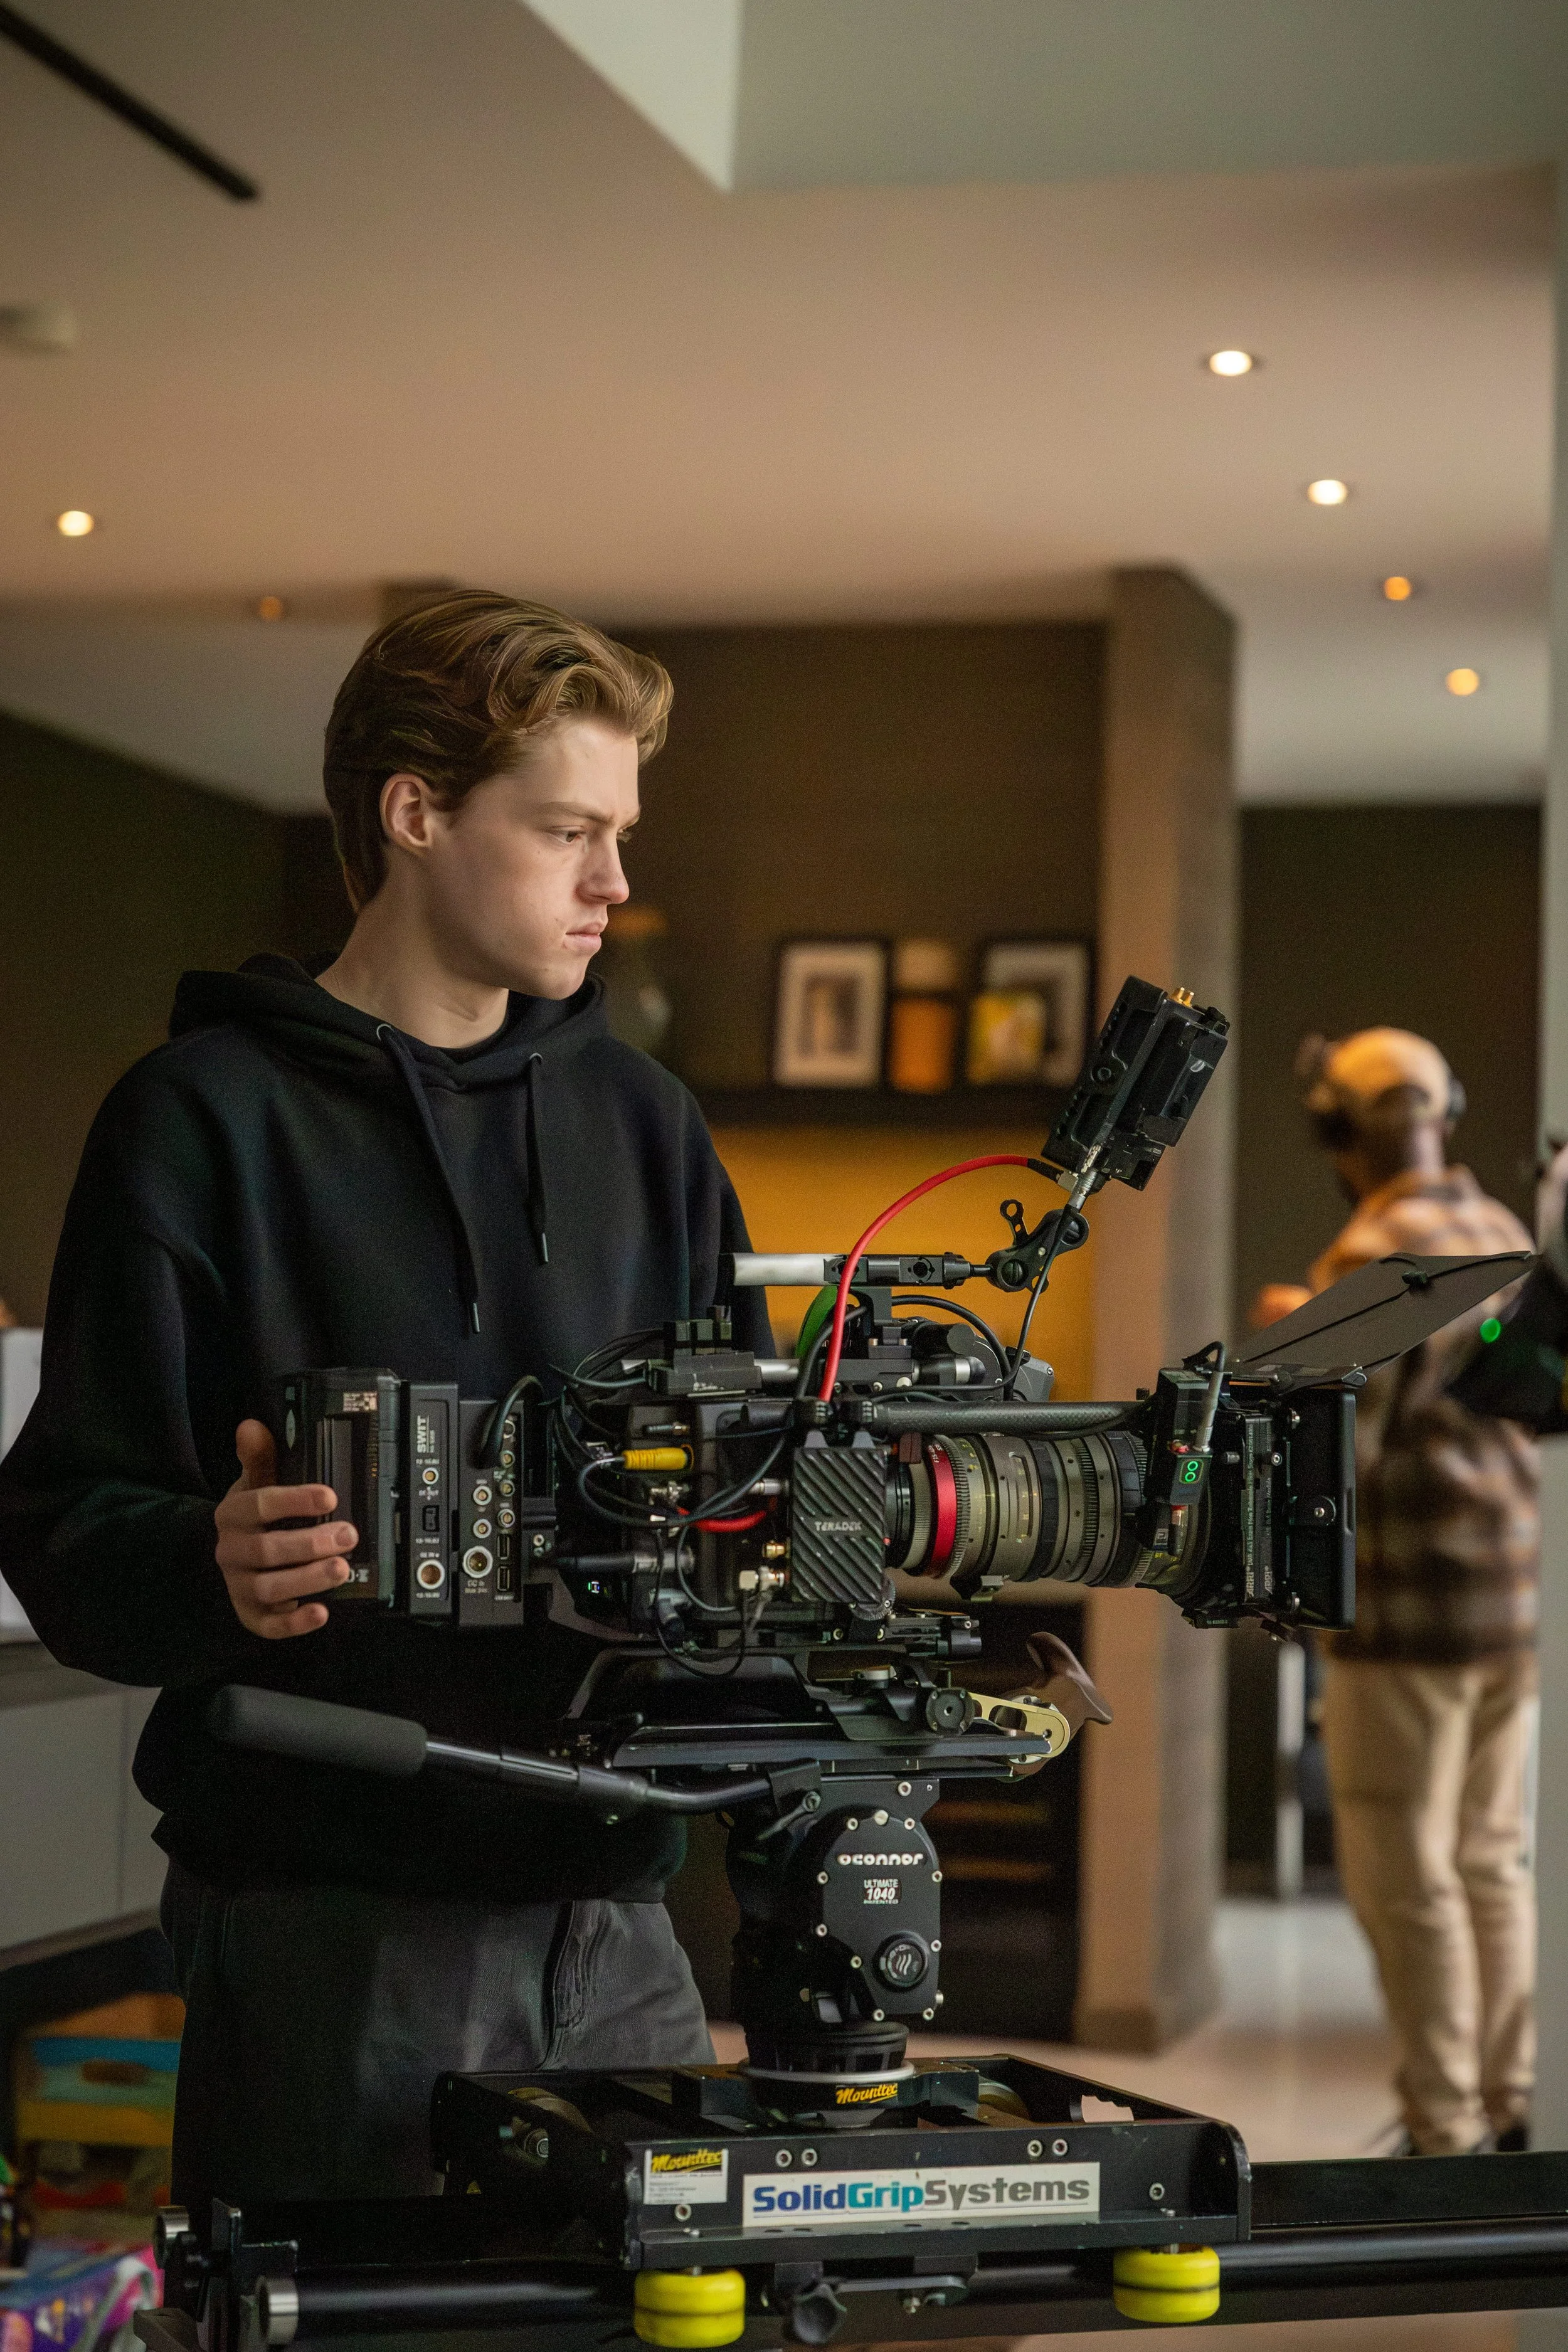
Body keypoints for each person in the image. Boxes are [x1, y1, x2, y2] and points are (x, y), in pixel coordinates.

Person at [0, 593, 771, 2206]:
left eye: (619, 834)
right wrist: (208, 1561)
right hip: (327, 1931)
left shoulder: (645, 1125)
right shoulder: (200, 1120)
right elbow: (66, 1531)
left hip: (621, 1922)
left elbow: (738, 1485)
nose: (614, 884)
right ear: (415, 813)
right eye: (567, 830)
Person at [1253, 1027, 1538, 2156]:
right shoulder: (1502, 1223)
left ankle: (1444, 2125)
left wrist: (1293, 1344)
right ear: (1446, 1110)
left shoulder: (1378, 1248)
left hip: (1411, 1618)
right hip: (1517, 1606)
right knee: (1491, 1857)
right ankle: (1517, 2102)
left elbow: (1342, 1455)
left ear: (1336, 1131)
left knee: (1407, 1871)